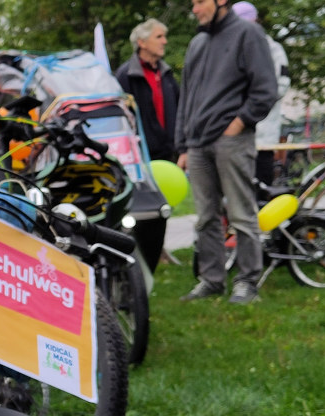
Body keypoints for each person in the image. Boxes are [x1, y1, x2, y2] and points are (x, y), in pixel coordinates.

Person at [176, 0, 277, 304]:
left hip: (231, 140)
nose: (195, 9)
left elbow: (266, 89)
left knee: (241, 214)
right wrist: (183, 143)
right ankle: (212, 280)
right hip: (197, 143)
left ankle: (248, 282)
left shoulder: (248, 34)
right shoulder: (197, 43)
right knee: (206, 217)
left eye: (200, 2)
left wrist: (238, 123)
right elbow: (186, 97)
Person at [233, 2, 291, 186]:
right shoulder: (232, 49)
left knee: (262, 181)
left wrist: (254, 104)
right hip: (235, 131)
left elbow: (281, 85)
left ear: (255, 21)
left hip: (263, 129)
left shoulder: (273, 49)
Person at [115, 20, 181, 162]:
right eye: (159, 37)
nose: (165, 41)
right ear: (142, 43)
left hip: (171, 153)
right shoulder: (126, 75)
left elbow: (181, 107)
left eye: (164, 36)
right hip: (142, 155)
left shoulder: (165, 73)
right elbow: (120, 117)